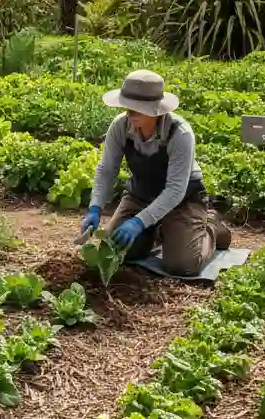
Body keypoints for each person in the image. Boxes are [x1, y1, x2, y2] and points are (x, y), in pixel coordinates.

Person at [80, 69, 230, 276]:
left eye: (137, 109)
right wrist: (95, 207)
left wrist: (139, 222)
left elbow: (176, 190)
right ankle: (161, 230)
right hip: (141, 193)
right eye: (127, 107)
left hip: (182, 199)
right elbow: (107, 169)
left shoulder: (180, 134)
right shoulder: (121, 126)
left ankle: (211, 225)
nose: (130, 113)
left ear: (156, 110)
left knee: (183, 265)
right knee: (115, 249)